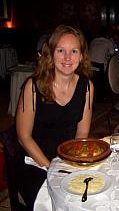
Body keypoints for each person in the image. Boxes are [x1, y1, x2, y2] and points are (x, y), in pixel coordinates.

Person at [15, 24, 94, 210]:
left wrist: (74, 165)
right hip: (36, 162)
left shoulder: (87, 87)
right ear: (51, 54)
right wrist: (52, 168)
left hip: (68, 160)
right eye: (61, 51)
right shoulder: (32, 86)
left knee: (91, 194)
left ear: (82, 56)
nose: (67, 58)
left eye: (74, 51)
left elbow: (82, 133)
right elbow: (23, 137)